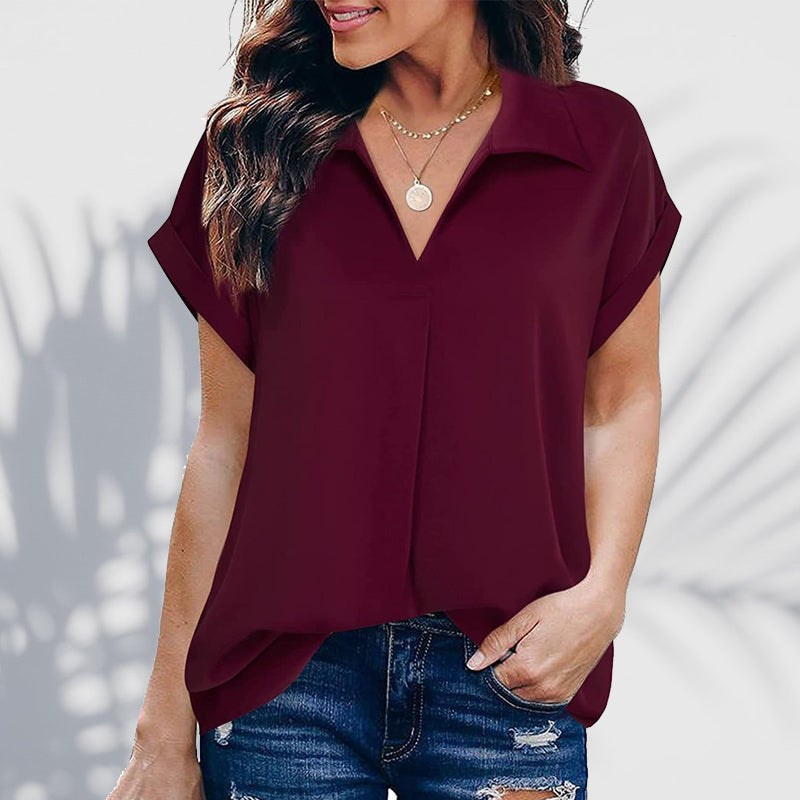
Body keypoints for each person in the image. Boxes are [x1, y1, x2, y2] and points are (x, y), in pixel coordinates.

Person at [111, 1, 682, 798]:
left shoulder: (597, 144)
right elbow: (225, 445)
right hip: (285, 685)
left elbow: (618, 403)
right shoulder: (253, 151)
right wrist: (162, 730)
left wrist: (602, 597)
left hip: (507, 678)